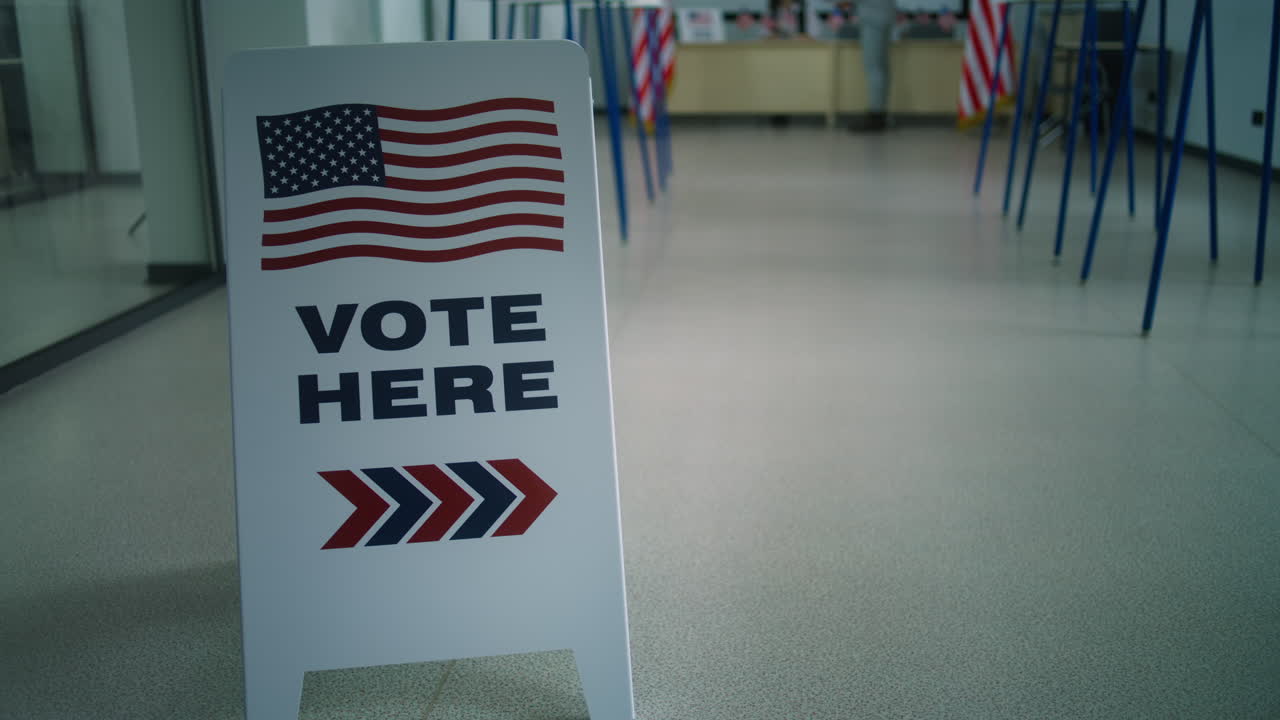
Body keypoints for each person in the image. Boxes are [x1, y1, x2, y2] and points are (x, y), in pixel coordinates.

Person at [850, 0, 895, 132]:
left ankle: (876, 116)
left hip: (873, 19)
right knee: (881, 68)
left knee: (874, 68)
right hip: (883, 16)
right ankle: (880, 113)